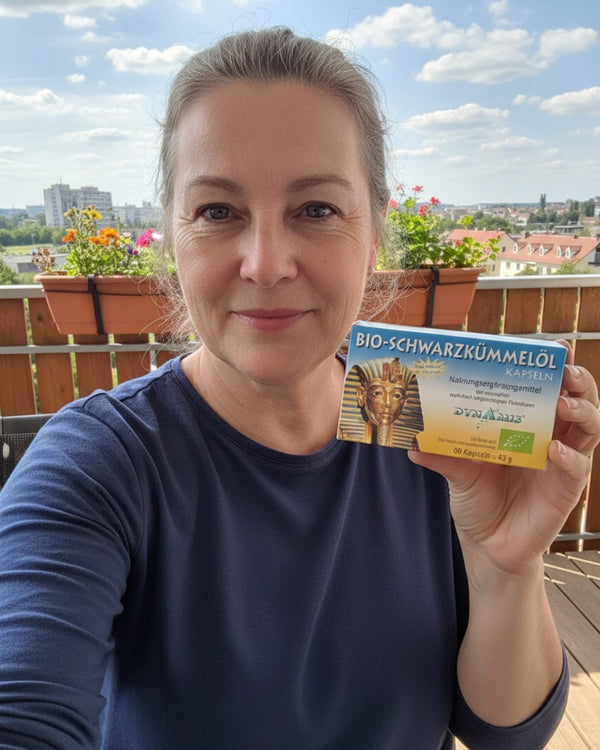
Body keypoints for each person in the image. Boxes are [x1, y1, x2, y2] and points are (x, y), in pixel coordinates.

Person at [0, 27, 599, 750]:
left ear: (373, 236)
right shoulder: (99, 462)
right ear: (173, 237)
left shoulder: (429, 418)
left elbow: (504, 734)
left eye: (316, 209)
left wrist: (506, 565)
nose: (266, 263)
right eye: (217, 211)